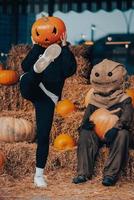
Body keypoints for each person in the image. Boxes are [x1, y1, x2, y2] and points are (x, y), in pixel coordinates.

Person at [20, 32, 77, 188]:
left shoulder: (62, 55)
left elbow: (70, 69)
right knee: (28, 77)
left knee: (44, 135)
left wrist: (65, 47)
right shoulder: (37, 50)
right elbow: (24, 66)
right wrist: (36, 46)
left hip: (48, 96)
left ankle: (38, 175)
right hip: (33, 86)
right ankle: (37, 72)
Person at [73, 59, 133, 186]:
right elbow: (85, 120)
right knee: (85, 133)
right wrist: (85, 126)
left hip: (115, 133)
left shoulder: (124, 99)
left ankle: (110, 175)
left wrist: (116, 128)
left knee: (123, 135)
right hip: (97, 133)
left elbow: (127, 119)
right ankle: (83, 173)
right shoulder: (94, 100)